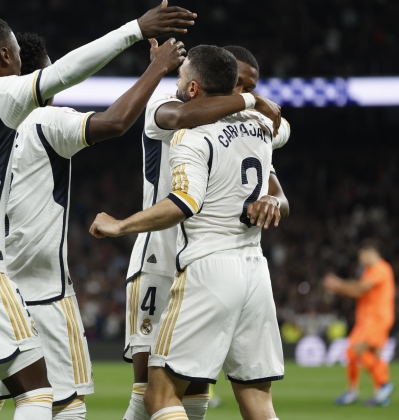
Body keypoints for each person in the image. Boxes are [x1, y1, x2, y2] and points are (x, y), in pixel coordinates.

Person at [0, 4, 196, 419]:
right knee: (47, 399)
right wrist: (140, 39)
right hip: (3, 279)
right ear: (5, 57)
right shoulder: (28, 111)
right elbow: (104, 110)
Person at [0, 30, 186, 420]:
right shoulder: (44, 120)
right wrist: (157, 69)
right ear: (40, 76)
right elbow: (114, 122)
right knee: (66, 405)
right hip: (43, 290)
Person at [90, 45, 290, 420]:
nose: (245, 92)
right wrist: (254, 103)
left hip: (202, 264)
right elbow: (184, 114)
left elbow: (187, 201)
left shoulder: (235, 125)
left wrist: (119, 225)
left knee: (177, 392)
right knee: (149, 391)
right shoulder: (167, 107)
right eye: (241, 85)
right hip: (159, 259)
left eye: (250, 86)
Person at [323, 240, 395, 406]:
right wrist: (339, 287)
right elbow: (357, 292)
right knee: (372, 354)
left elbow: (360, 289)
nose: (360, 260)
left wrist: (337, 284)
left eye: (361, 256)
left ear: (370, 252)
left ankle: (381, 384)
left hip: (376, 318)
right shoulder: (370, 271)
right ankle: (379, 395)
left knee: (354, 350)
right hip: (369, 319)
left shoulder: (380, 269)